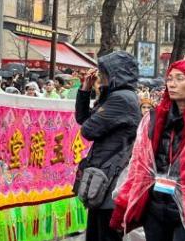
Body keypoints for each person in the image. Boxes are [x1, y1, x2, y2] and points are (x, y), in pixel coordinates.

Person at [111, 60, 185, 239]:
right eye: (169, 79)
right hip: (155, 204)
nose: (172, 84)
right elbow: (138, 165)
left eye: (180, 78)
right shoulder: (153, 119)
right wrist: (123, 205)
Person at [74, 51, 141, 241]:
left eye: (103, 72)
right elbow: (83, 119)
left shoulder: (121, 98)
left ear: (115, 74)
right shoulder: (117, 96)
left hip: (112, 178)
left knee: (105, 234)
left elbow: (87, 130)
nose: (99, 76)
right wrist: (85, 90)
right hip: (105, 176)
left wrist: (102, 93)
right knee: (96, 233)